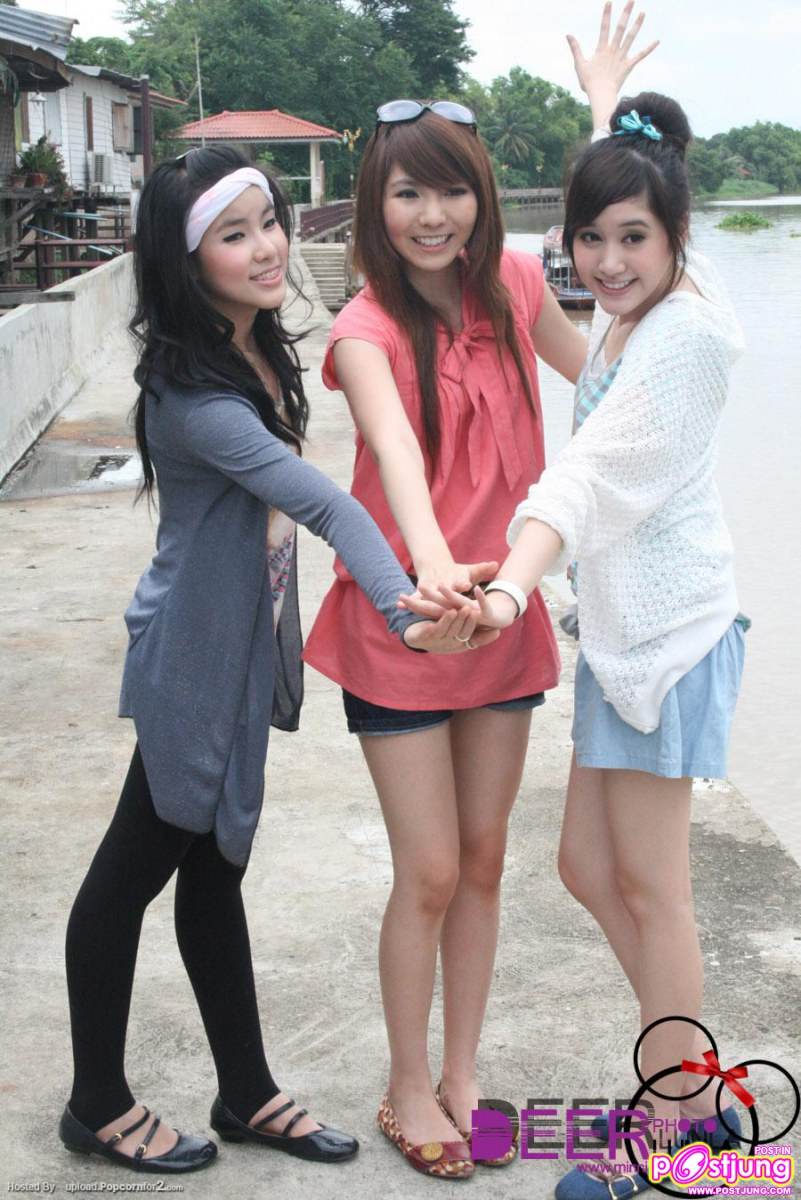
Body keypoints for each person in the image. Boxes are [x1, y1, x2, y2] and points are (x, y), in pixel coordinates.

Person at [58, 145, 489, 1177]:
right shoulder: (195, 395)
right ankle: (95, 1102)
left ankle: (245, 1091)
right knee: (126, 879)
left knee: (216, 873)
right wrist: (408, 609)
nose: (266, 248)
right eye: (234, 234)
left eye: (269, 222)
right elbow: (328, 506)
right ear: (185, 259)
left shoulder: (248, 352)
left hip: (240, 655)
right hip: (190, 664)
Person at [303, 4, 657, 1180]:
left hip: (502, 616)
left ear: (481, 197)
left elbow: (602, 371)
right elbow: (396, 457)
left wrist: (607, 123)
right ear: (377, 202)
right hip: (410, 624)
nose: (432, 214)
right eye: (408, 192)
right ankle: (408, 1086)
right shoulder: (363, 327)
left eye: (451, 190)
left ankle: (463, 1076)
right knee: (432, 870)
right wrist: (428, 566)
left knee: (489, 859)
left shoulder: (508, 280)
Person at [407, 89, 747, 1198]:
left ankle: (679, 1124)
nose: (605, 262)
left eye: (632, 238)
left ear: (676, 231)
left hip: (671, 638)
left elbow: (587, 478)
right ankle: (696, 1080)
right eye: (588, 238)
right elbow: (626, 203)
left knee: (652, 886)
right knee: (586, 868)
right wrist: (609, 118)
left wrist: (510, 589)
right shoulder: (634, 309)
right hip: (622, 635)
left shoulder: (684, 338)